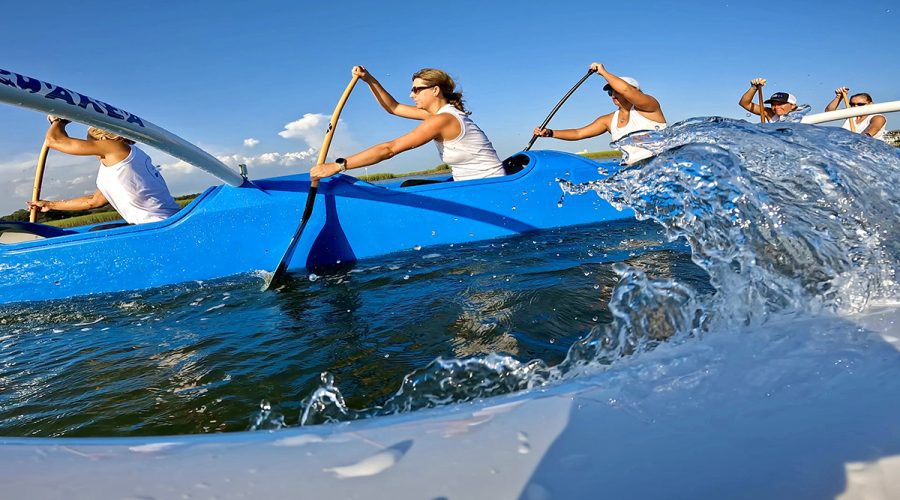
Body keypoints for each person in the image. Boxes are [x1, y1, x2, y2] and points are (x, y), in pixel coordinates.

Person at [310, 66, 504, 182]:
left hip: (492, 187)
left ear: (435, 90)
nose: (412, 94)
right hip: (470, 185)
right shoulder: (436, 115)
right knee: (409, 185)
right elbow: (393, 107)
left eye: (416, 89)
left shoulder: (442, 120)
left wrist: (338, 166)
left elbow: (390, 149)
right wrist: (368, 79)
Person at [26, 116, 180, 224]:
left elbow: (55, 141)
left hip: (160, 225)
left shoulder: (117, 148)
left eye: (89, 141)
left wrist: (59, 121)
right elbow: (94, 201)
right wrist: (50, 205)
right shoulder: (118, 165)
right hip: (164, 223)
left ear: (104, 140)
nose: (88, 147)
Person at [531, 62, 667, 164]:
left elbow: (626, 90)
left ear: (635, 90)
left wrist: (603, 72)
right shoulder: (607, 120)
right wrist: (551, 133)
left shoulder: (650, 107)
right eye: (610, 92)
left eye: (615, 90)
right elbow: (579, 133)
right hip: (633, 169)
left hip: (662, 165)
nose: (613, 95)